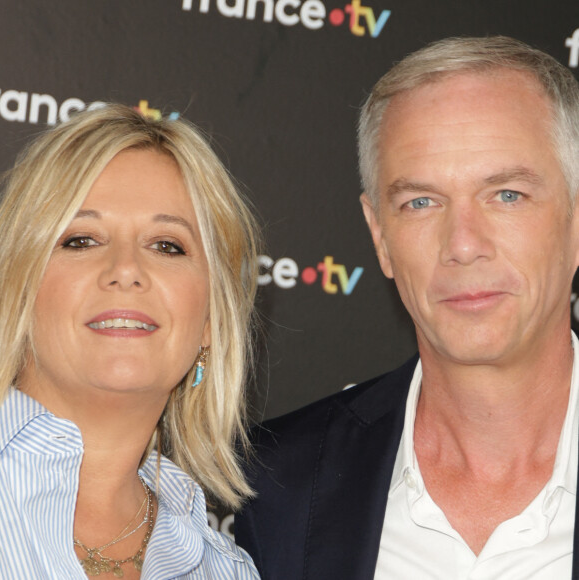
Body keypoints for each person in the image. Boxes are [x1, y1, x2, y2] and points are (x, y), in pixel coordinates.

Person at [235, 36, 579, 579]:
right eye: (420, 202)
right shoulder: (275, 484)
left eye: (506, 194)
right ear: (379, 236)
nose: (463, 244)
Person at [0, 103, 260, 578]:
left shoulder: (224, 569)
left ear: (210, 322)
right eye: (81, 240)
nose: (126, 270)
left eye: (167, 245)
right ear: (18, 286)